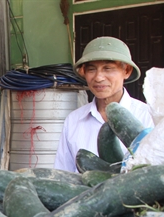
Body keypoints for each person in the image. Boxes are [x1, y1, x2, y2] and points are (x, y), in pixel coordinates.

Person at [54, 36, 154, 172]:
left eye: (108, 68)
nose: (99, 77)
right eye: (91, 69)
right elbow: (63, 174)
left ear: (127, 71)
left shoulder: (148, 117)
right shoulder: (73, 120)